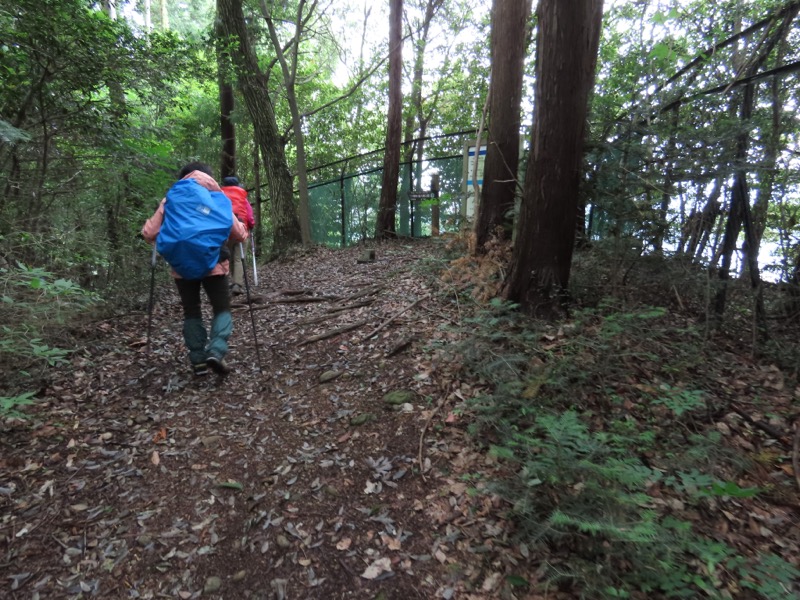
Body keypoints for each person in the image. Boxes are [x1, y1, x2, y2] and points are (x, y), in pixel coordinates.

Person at [142, 162, 248, 376]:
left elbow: (149, 232)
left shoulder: (170, 199)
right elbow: (237, 233)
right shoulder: (217, 198)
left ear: (183, 177)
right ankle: (216, 351)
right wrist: (243, 231)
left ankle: (198, 360)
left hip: (181, 266)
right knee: (222, 308)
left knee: (192, 311)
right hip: (215, 263)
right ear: (209, 177)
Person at [221, 176, 255, 296]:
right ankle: (237, 284)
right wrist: (251, 225)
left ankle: (227, 283)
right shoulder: (242, 198)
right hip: (241, 229)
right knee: (238, 258)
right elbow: (249, 215)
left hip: (226, 231)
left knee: (227, 257)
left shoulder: (220, 195)